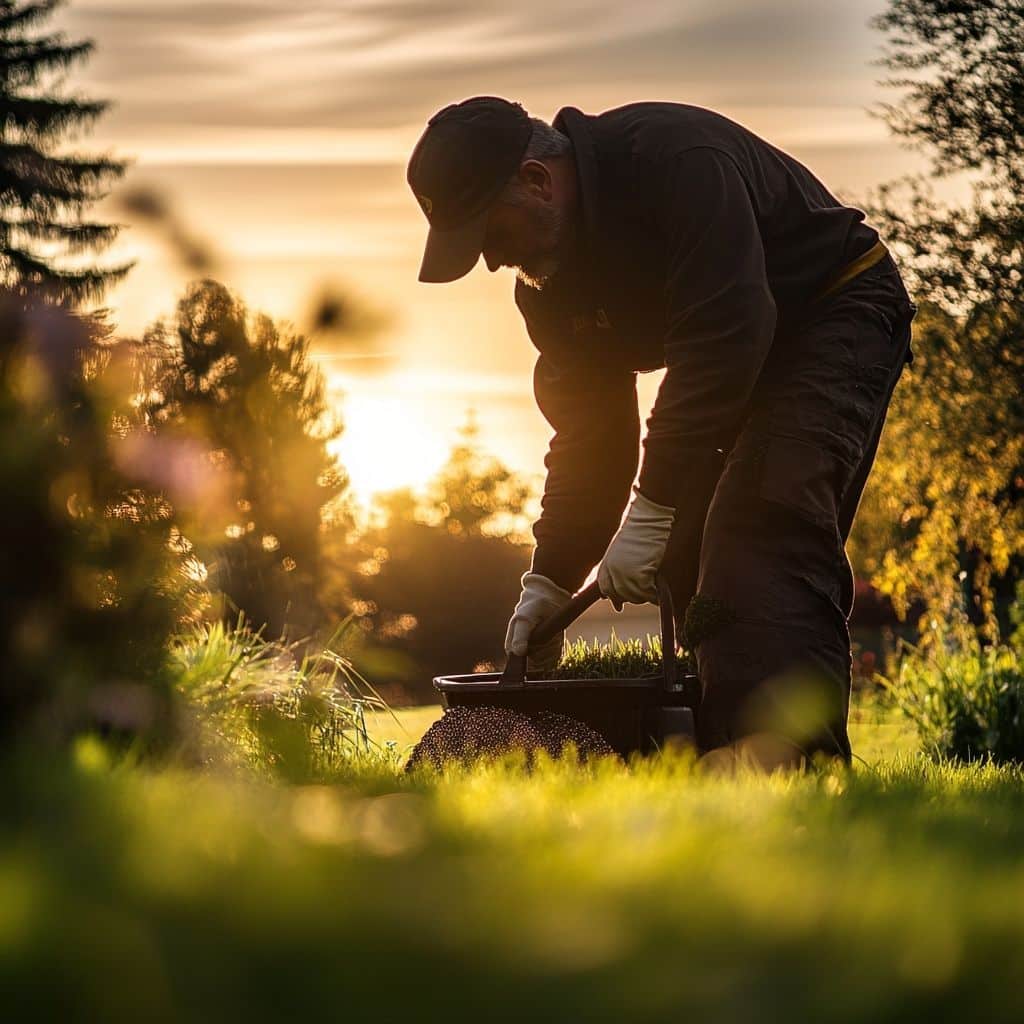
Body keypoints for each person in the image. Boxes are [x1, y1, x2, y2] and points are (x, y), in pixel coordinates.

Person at [406, 96, 917, 766]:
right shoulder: (549, 288)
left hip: (834, 308)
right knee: (685, 545)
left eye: (489, 234)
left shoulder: (675, 162)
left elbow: (728, 331)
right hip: (743, 353)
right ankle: (723, 748)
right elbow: (592, 436)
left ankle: (796, 763)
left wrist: (649, 507)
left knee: (759, 518)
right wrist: (552, 579)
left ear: (537, 180)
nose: (493, 262)